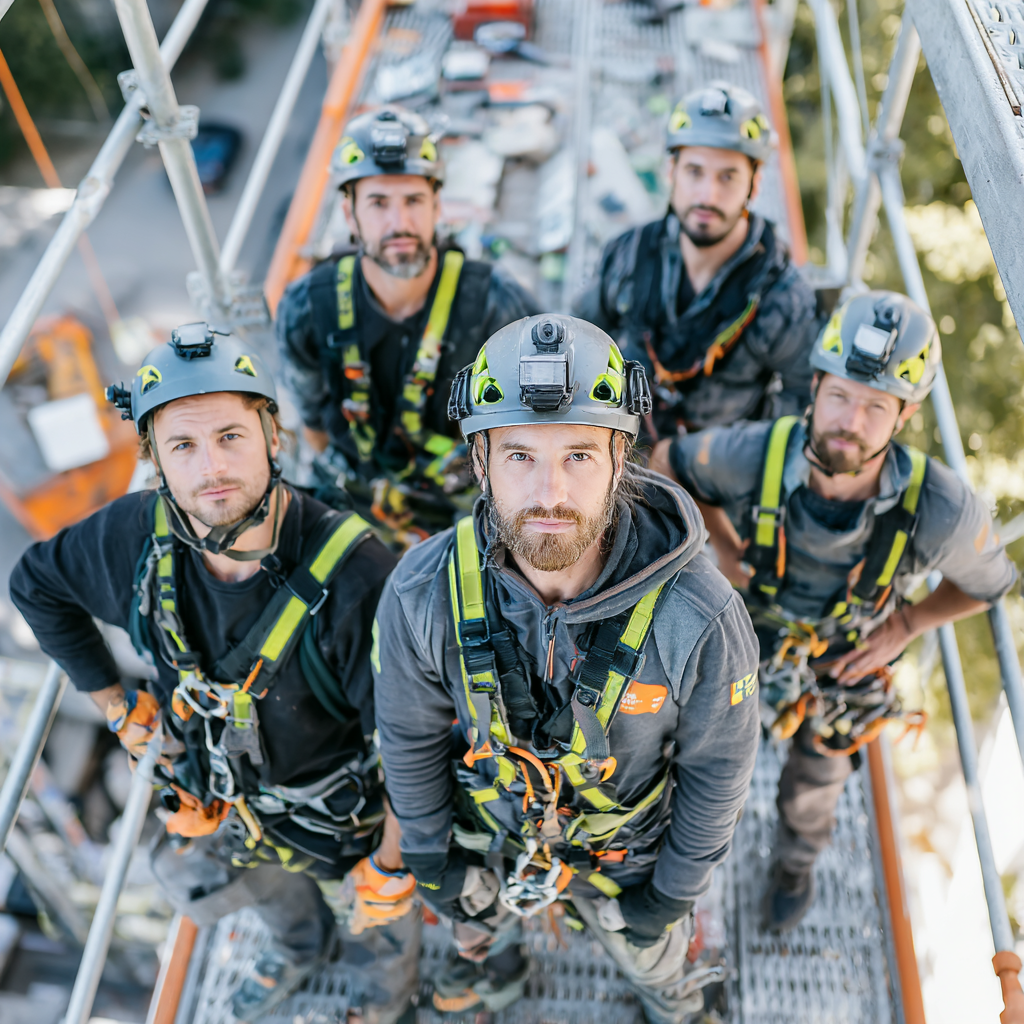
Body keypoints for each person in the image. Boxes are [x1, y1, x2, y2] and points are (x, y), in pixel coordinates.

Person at [9, 324, 420, 1023]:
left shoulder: (357, 579)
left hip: (340, 821)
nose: (211, 468)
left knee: (377, 925)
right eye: (184, 447)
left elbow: (417, 750)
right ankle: (297, 947)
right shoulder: (135, 541)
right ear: (157, 462)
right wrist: (117, 705)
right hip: (222, 799)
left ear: (271, 435)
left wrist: (392, 862)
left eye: (231, 436)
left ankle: (382, 994)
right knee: (204, 874)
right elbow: (36, 586)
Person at [372, 314, 761, 1022]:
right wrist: (432, 858)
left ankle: (675, 999)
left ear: (621, 458)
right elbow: (408, 737)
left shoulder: (699, 617)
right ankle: (496, 971)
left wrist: (670, 895)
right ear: (479, 459)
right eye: (519, 455)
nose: (549, 493)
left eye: (578, 455)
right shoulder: (422, 591)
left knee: (655, 954)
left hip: (625, 853)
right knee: (475, 926)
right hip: (492, 831)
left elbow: (718, 772)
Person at [653, 291, 1018, 931]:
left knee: (816, 782)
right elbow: (667, 466)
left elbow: (989, 583)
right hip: (750, 624)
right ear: (814, 387)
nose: (851, 420)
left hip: (844, 658)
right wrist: (726, 554)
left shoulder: (941, 508)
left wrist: (906, 623)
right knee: (682, 741)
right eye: (841, 395)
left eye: (876, 406)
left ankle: (794, 863)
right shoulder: (759, 453)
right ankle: (673, 848)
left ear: (903, 417)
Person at [276, 105, 540, 547]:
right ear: (349, 213)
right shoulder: (307, 308)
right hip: (358, 489)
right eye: (378, 203)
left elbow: (534, 428)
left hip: (466, 492)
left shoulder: (496, 303)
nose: (399, 223)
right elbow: (312, 421)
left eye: (414, 201)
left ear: (437, 205)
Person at [575, 81, 818, 440]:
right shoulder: (629, 256)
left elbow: (804, 399)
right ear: (671, 172)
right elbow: (579, 337)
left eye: (728, 177)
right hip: (621, 444)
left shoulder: (782, 299)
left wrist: (738, 459)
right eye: (694, 172)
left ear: (755, 183)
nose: (707, 195)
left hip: (712, 472)